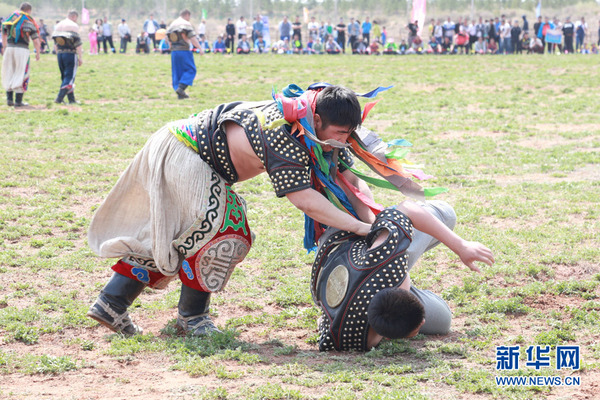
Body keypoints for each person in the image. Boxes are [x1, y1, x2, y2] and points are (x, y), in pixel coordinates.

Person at [86, 83, 434, 338]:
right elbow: (304, 199)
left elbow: (347, 180)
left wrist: (375, 222)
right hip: (185, 151)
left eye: (349, 134)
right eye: (342, 133)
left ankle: (111, 302)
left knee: (182, 234)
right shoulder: (283, 131)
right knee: (225, 229)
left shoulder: (324, 128)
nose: (345, 140)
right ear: (316, 117)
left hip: (191, 154)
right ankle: (193, 318)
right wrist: (360, 230)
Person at [312, 202, 494, 351]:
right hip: (341, 263)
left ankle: (394, 239)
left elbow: (407, 208)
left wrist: (461, 246)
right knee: (442, 320)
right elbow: (323, 321)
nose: (422, 322)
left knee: (446, 214)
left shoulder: (385, 262)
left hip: (348, 247)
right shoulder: (344, 338)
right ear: (388, 337)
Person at [1, 2, 41, 107]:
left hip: (9, 49)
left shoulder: (11, 19)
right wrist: (38, 52)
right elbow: (36, 40)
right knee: (21, 72)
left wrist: (5, 47)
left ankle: (9, 100)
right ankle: (18, 101)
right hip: (22, 50)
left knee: (9, 71)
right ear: (29, 10)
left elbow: (3, 33)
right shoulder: (28, 21)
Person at [166, 9, 201, 99]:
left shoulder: (172, 25)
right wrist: (199, 48)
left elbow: (167, 38)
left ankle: (180, 94)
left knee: (177, 72)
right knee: (191, 70)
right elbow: (192, 37)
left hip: (174, 52)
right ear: (187, 15)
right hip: (184, 50)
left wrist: (171, 48)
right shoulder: (186, 24)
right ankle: (181, 89)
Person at [52, 10, 83, 105]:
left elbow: (55, 43)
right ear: (74, 17)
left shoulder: (58, 25)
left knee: (65, 77)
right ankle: (59, 98)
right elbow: (77, 43)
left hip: (60, 54)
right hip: (70, 54)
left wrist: (58, 54)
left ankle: (71, 99)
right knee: (69, 78)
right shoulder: (73, 26)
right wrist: (80, 57)